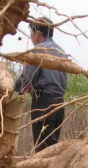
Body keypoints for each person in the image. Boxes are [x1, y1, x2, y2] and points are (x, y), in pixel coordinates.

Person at [14, 17, 68, 152]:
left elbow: (28, 76)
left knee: (42, 149)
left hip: (43, 102)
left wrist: (16, 88)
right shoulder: (61, 52)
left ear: (37, 33)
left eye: (31, 32)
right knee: (52, 146)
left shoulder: (39, 50)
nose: (31, 36)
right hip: (60, 103)